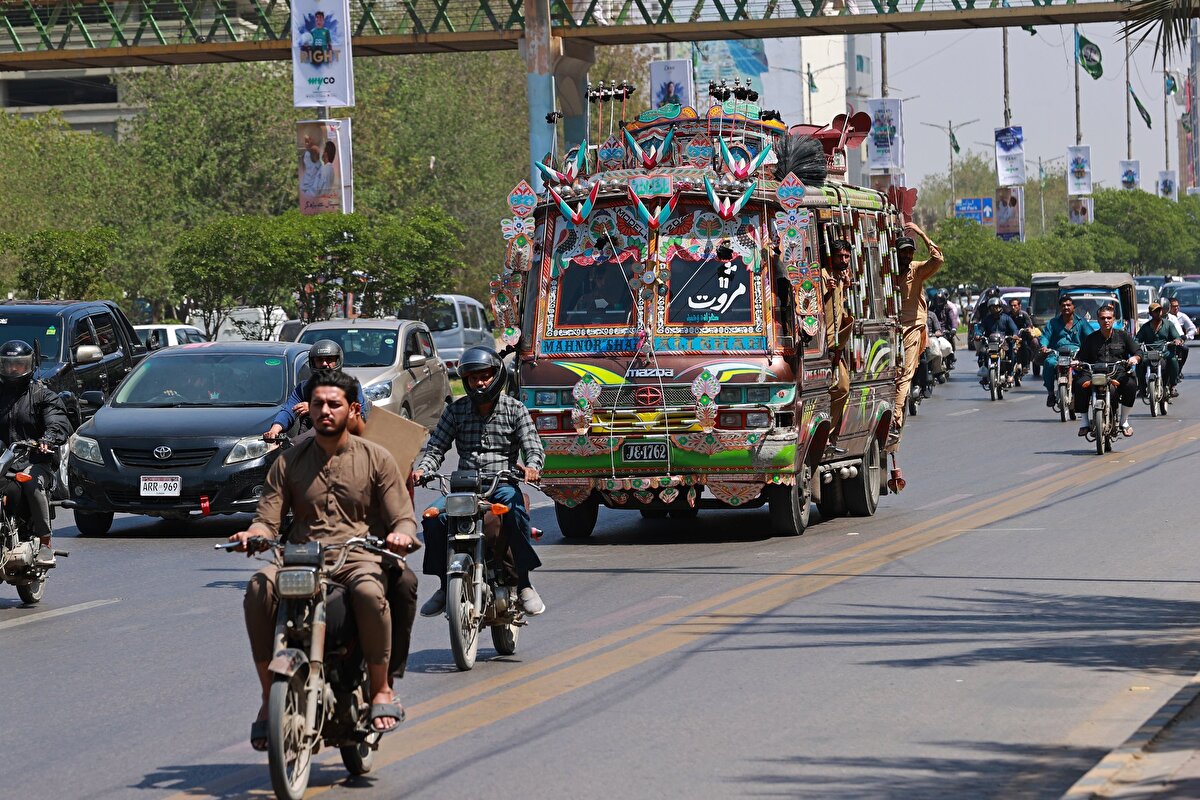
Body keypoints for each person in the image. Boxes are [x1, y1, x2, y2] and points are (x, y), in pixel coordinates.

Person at [229, 370, 420, 749]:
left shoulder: (377, 458)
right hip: (301, 557)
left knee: (369, 594)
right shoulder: (288, 462)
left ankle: (381, 688)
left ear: (352, 409)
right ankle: (269, 698)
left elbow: (402, 516)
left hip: (357, 556)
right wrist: (254, 535)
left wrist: (401, 534)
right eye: (318, 404)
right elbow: (267, 520)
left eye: (334, 404)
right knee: (258, 587)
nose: (325, 411)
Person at [414, 346, 546, 617]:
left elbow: (533, 447)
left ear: (497, 376)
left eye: (485, 376)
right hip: (463, 488)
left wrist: (533, 467)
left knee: (515, 511)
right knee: (432, 518)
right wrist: (423, 470)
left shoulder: (515, 409)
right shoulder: (456, 411)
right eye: (474, 378)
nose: (480, 383)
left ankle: (523, 583)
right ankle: (444, 586)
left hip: (502, 484)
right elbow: (436, 448)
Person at [0, 340, 70, 567]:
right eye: (8, 364)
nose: (13, 369)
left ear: (29, 365)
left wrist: (48, 438)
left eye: (19, 364)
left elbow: (57, 421)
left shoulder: (42, 395)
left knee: (31, 483)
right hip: (3, 460)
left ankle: (45, 542)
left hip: (34, 459)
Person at [889, 222, 944, 450]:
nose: (906, 256)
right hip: (891, 328)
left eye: (909, 252)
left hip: (912, 327)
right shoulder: (888, 270)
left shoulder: (917, 269)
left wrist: (921, 233)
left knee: (905, 372)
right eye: (903, 252)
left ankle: (896, 416)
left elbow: (938, 259)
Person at [265, 339, 368, 439]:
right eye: (319, 360)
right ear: (312, 363)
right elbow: (288, 411)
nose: (324, 364)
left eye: (329, 359)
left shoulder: (351, 386)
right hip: (311, 443)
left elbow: (358, 416)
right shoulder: (303, 388)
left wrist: (313, 408)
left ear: (338, 361)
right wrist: (275, 429)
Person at [1073, 304, 1140, 437]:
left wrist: (1135, 358)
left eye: (1109, 318)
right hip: (1094, 373)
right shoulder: (1090, 339)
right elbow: (1081, 357)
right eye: (1103, 318)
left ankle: (1124, 421)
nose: (1106, 321)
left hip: (1117, 372)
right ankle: (1084, 422)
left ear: (1114, 319)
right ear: (1098, 320)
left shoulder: (1123, 336)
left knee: (1131, 384)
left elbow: (1137, 351)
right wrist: (1076, 363)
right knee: (1079, 383)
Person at [822, 240, 854, 455]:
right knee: (838, 388)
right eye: (839, 256)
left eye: (846, 256)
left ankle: (830, 436)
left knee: (842, 388)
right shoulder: (823, 276)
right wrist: (825, 290)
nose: (843, 260)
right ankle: (824, 437)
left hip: (836, 346)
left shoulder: (841, 278)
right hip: (821, 345)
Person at [1038, 295, 1096, 407]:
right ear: (1060, 308)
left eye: (1068, 305)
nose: (1066, 307)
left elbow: (1091, 336)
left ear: (1073, 307)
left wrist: (1091, 347)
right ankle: (1050, 393)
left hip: (1076, 354)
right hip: (1057, 354)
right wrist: (1044, 346)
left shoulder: (1081, 322)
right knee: (1048, 363)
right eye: (1063, 305)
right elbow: (1045, 337)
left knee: (1088, 368)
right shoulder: (1052, 323)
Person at [1135, 302, 1182, 397]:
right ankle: (1142, 387)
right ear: (1150, 313)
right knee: (1139, 363)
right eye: (1155, 311)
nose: (1158, 313)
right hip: (1149, 353)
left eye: (1159, 310)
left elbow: (1177, 336)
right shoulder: (1145, 327)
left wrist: (1177, 340)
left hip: (1165, 352)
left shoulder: (1168, 324)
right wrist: (1135, 344)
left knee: (1173, 360)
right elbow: (1137, 339)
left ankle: (1173, 385)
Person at [973, 298, 1019, 386]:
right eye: (992, 307)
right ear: (989, 308)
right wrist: (978, 335)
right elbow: (980, 329)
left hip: (1004, 343)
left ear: (1000, 307)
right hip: (990, 343)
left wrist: (1014, 335)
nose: (995, 309)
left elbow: (1014, 329)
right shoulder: (986, 319)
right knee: (981, 354)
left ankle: (1010, 374)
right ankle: (985, 376)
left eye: (996, 307)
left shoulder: (1007, 318)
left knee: (1012, 352)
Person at [1167, 297, 1196, 375]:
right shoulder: (1164, 316)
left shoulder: (1182, 316)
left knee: (1185, 349)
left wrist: (1186, 337)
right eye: (1174, 306)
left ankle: (1179, 369)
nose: (1176, 308)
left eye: (1177, 306)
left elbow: (1193, 329)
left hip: (1177, 341)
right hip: (1165, 342)